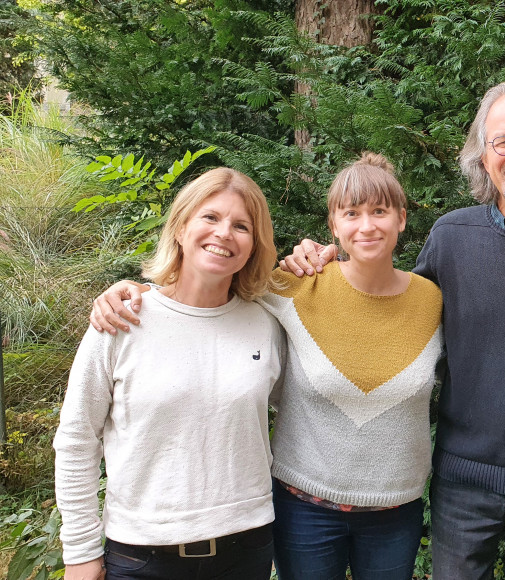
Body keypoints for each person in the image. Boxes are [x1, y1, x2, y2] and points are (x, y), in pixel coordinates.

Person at [280, 80, 505, 578]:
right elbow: (389, 307)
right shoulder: (451, 236)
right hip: (462, 482)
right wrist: (324, 263)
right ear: (482, 155)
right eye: (503, 141)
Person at [87, 153, 443, 580]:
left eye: (380, 212)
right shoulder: (292, 287)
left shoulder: (432, 300)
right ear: (334, 225)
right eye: (352, 213)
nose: (366, 226)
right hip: (304, 509)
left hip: (395, 510)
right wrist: (135, 292)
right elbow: (202, 294)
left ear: (402, 219)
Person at [55, 168, 284, 580]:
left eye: (241, 225)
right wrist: (81, 551)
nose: (224, 233)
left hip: (246, 548)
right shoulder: (121, 320)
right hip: (141, 556)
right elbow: (76, 439)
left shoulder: (266, 324)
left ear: (254, 244)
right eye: (210, 217)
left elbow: (305, 408)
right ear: (180, 228)